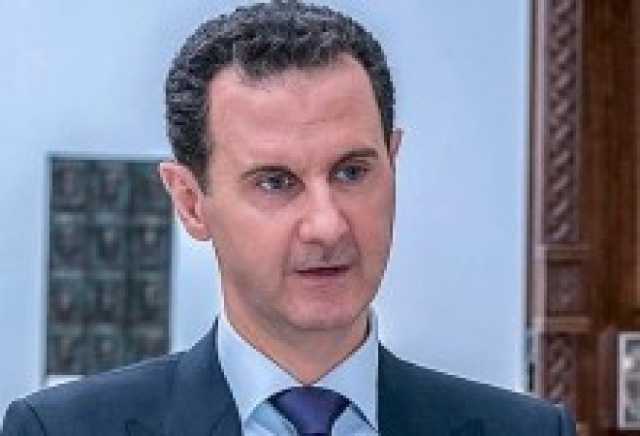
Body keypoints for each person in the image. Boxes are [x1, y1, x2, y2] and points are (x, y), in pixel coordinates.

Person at [2, 1, 576, 435]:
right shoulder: (60, 430)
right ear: (190, 202)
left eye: (352, 172)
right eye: (275, 183)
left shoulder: (527, 431)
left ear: (393, 163)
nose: (327, 225)